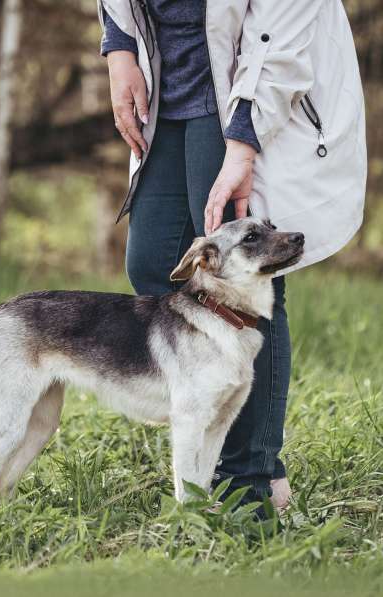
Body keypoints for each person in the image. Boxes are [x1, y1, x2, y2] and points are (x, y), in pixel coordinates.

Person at [97, 0, 366, 511]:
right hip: (166, 85)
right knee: (154, 265)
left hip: (245, 89)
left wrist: (243, 146)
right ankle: (207, 451)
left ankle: (252, 478)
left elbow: (281, 37)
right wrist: (120, 50)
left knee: (246, 276)